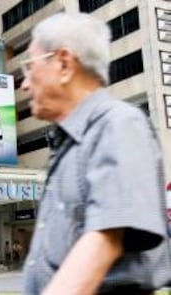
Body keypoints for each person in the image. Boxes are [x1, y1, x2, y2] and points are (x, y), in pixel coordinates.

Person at [20, 12, 171, 295]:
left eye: (29, 67)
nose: (24, 84)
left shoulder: (118, 124)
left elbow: (105, 241)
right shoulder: (67, 146)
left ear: (64, 64)